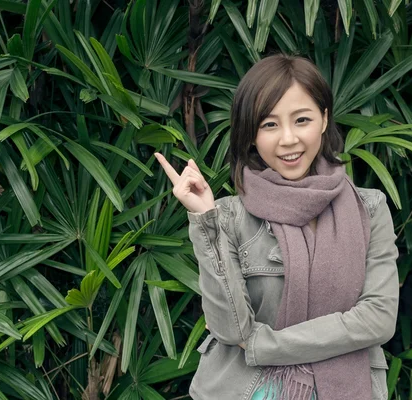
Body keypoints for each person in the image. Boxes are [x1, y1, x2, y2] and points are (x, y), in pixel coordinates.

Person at [154, 54, 399, 400]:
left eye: (302, 120)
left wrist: (264, 345)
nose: (288, 139)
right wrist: (205, 220)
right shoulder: (229, 216)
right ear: (251, 135)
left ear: (325, 119)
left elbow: (378, 319)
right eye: (269, 125)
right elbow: (231, 329)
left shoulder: (369, 210)